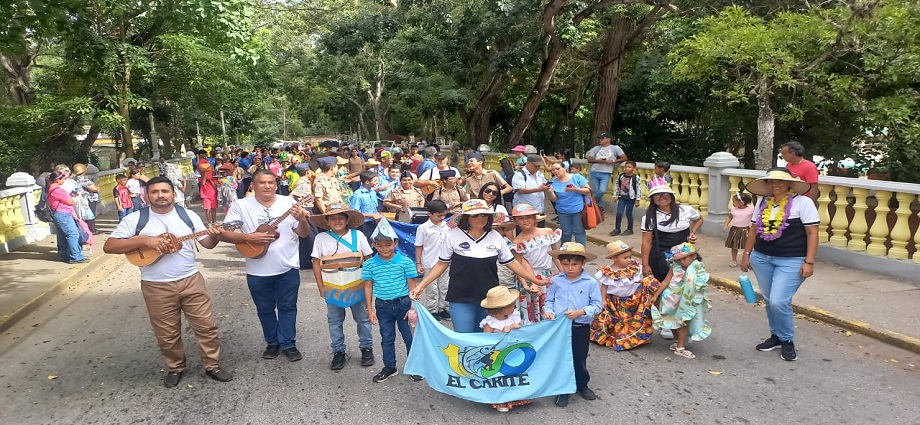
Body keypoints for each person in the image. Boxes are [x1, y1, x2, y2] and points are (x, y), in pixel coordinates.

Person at [102, 176, 232, 387]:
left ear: (173, 193)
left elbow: (207, 244)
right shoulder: (136, 220)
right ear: (147, 195)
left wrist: (217, 235)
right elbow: (109, 246)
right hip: (155, 285)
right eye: (154, 192)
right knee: (167, 333)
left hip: (191, 280)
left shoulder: (187, 216)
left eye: (165, 191)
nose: (160, 195)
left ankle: (212, 365)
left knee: (206, 326)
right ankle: (175, 367)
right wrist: (146, 240)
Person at [409, 199, 542, 333]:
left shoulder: (495, 236)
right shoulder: (452, 235)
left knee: (486, 339)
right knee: (464, 337)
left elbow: (512, 262)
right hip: (460, 296)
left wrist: (535, 280)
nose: (480, 218)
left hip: (490, 298)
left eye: (484, 214)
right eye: (475, 215)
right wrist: (421, 286)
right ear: (466, 218)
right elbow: (442, 263)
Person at [221, 170, 312, 362]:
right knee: (264, 308)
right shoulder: (241, 205)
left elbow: (303, 234)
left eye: (271, 182)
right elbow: (224, 233)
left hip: (287, 267)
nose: (267, 186)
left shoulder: (289, 204)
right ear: (253, 186)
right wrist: (247, 237)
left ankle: (288, 343)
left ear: (276, 184)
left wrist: (302, 219)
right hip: (256, 270)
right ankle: (272, 342)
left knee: (288, 307)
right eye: (262, 183)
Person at [740, 168, 818, 362]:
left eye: (780, 181)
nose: (775, 185)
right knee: (769, 300)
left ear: (790, 183)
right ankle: (776, 336)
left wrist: (809, 261)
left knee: (779, 301)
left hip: (792, 260)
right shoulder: (762, 202)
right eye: (770, 182)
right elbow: (753, 230)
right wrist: (746, 254)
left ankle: (787, 340)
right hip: (761, 257)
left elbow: (812, 233)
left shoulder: (803, 203)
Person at [310, 203, 376, 370]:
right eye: (333, 218)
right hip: (332, 287)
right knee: (334, 321)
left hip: (358, 286)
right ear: (327, 222)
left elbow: (369, 260)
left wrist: (371, 284)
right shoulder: (321, 238)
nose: (337, 221)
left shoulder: (358, 235)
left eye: (340, 217)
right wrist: (320, 287)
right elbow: (316, 263)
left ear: (347, 220)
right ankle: (338, 351)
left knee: (363, 318)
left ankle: (366, 348)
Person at [640, 177, 702, 340]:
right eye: (657, 195)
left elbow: (699, 218)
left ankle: (684, 321)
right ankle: (665, 323)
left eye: (665, 194)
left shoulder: (685, 210)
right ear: (653, 199)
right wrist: (645, 264)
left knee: (685, 290)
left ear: (672, 195)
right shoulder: (649, 217)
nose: (662, 197)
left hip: (684, 257)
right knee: (666, 291)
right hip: (661, 258)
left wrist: (692, 233)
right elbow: (646, 242)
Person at [544, 242, 602, 408]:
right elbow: (549, 301)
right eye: (566, 264)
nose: (570, 268)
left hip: (580, 327)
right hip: (559, 328)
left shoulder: (590, 282)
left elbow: (598, 305)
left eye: (574, 264)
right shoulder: (556, 281)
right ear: (560, 263)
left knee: (579, 356)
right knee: (561, 357)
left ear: (583, 263)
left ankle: (582, 384)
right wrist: (549, 311)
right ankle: (563, 388)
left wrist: (581, 312)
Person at [363, 218, 421, 383]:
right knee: (386, 337)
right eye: (379, 245)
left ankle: (414, 366)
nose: (384, 248)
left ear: (395, 243)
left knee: (409, 337)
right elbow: (368, 287)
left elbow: (412, 286)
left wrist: (412, 307)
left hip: (403, 304)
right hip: (382, 305)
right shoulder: (370, 264)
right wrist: (370, 309)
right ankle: (390, 367)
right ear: (373, 244)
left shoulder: (405, 262)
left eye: (388, 244)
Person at [590, 240, 661, 350]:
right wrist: (603, 299)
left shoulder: (632, 269)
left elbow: (633, 281)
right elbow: (604, 286)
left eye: (630, 257)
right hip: (612, 301)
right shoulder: (608, 271)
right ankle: (608, 337)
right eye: (625, 258)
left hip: (628, 300)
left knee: (627, 321)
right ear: (614, 258)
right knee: (610, 320)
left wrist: (646, 282)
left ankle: (627, 338)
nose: (629, 260)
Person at [650, 242, 711, 360]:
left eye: (684, 258)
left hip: (685, 300)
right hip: (671, 297)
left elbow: (701, 283)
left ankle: (680, 346)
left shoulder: (698, 267)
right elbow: (666, 282)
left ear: (693, 256)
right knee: (672, 320)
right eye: (679, 259)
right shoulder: (675, 267)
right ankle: (679, 343)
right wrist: (656, 295)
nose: (681, 261)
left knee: (684, 321)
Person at [510, 203, 562, 324]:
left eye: (528, 217)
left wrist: (563, 274)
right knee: (532, 312)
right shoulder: (517, 242)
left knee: (549, 308)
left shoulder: (547, 232)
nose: (525, 220)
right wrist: (526, 285)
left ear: (535, 218)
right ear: (516, 221)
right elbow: (518, 266)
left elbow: (555, 255)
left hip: (547, 276)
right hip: (529, 277)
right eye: (521, 218)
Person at [414, 200, 451, 321]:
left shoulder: (447, 226)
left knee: (444, 286)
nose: (442, 218)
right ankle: (432, 310)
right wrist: (418, 263)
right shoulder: (423, 228)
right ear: (429, 214)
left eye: (444, 215)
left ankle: (443, 308)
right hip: (430, 261)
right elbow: (419, 246)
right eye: (439, 215)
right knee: (431, 288)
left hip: (445, 262)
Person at [46, 171, 87, 264]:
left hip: (57, 213)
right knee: (73, 234)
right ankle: (76, 256)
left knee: (63, 236)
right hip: (64, 214)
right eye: (63, 179)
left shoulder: (49, 189)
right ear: (57, 180)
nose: (65, 180)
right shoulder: (58, 190)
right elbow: (70, 202)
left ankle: (65, 255)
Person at [547, 161, 591, 246]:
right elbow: (554, 199)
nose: (555, 171)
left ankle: (580, 252)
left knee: (579, 231)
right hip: (562, 210)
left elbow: (588, 190)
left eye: (557, 169)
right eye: (553, 170)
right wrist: (550, 192)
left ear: (564, 168)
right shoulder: (553, 182)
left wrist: (576, 189)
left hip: (578, 209)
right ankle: (565, 252)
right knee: (566, 232)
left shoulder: (576, 177)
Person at [585, 133, 628, 212]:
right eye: (600, 138)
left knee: (602, 190)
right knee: (596, 191)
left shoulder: (615, 148)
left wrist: (613, 161)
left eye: (602, 138)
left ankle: (590, 203)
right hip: (594, 171)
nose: (600, 140)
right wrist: (598, 161)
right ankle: (600, 207)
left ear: (608, 139)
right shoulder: (596, 148)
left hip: (606, 172)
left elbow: (624, 157)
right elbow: (589, 160)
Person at [511, 155, 551, 222]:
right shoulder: (519, 174)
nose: (537, 168)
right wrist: (538, 189)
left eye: (539, 166)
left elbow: (544, 184)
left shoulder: (539, 174)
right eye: (535, 166)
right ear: (528, 163)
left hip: (539, 211)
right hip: (524, 213)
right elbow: (520, 190)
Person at [722, 192, 755, 267]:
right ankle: (734, 260)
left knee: (748, 245)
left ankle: (747, 260)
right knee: (734, 246)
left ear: (741, 202)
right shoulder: (734, 209)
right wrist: (726, 224)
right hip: (735, 229)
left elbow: (755, 218)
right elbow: (730, 217)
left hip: (746, 230)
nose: (732, 203)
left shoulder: (751, 209)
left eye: (734, 201)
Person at [609, 160, 641, 237]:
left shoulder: (636, 177)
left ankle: (630, 229)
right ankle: (617, 229)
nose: (627, 168)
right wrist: (615, 195)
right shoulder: (621, 176)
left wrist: (637, 200)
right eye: (625, 167)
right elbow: (617, 186)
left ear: (634, 168)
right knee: (619, 213)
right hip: (622, 197)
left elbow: (638, 188)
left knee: (628, 213)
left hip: (631, 198)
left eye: (629, 167)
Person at [350, 170, 383, 238]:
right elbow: (354, 213)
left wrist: (377, 215)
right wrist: (371, 215)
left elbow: (375, 208)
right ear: (367, 182)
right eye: (375, 181)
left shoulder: (372, 192)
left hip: (373, 223)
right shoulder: (357, 195)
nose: (377, 183)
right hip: (363, 224)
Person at [71, 163, 100, 234]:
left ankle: (86, 229)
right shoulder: (84, 179)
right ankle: (91, 230)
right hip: (89, 199)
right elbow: (94, 189)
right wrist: (98, 187)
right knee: (89, 214)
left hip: (80, 199)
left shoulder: (73, 179)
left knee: (82, 214)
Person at [197, 150, 218, 225]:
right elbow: (203, 182)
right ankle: (210, 222)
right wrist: (206, 174)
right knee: (207, 208)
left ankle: (214, 222)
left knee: (213, 208)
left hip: (212, 190)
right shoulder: (201, 165)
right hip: (205, 191)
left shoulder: (209, 162)